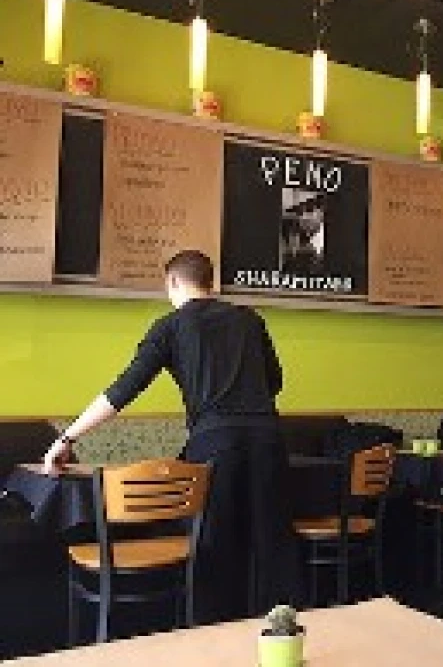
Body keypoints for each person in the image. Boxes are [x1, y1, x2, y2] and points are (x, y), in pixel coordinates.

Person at [42, 250, 299, 623]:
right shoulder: (250, 320)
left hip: (215, 444)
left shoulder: (171, 326)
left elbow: (124, 389)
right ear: (210, 281)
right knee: (273, 547)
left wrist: (66, 438)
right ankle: (284, 635)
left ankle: (214, 638)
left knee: (215, 552)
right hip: (268, 439)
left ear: (173, 282)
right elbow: (274, 382)